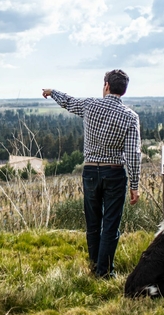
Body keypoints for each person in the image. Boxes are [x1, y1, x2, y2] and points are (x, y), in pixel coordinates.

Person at [42, 69, 141, 278]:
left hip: (89, 172)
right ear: (123, 90)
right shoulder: (130, 117)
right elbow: (133, 153)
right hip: (114, 173)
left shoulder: (90, 106)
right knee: (110, 225)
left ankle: (94, 265)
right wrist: (134, 185)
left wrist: (52, 92)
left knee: (93, 224)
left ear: (106, 85)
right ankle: (104, 272)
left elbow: (69, 102)